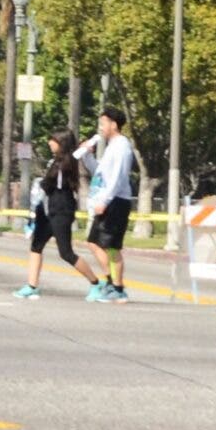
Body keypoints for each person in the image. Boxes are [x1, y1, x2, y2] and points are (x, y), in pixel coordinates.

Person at [17, 130, 99, 299]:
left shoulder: (68, 161)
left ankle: (96, 284)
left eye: (53, 140)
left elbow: (49, 183)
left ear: (62, 143)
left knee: (66, 253)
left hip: (62, 210)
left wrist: (87, 146)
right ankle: (32, 286)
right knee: (36, 245)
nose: (49, 143)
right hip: (48, 209)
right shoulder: (55, 162)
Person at [74, 107, 137, 302]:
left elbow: (117, 177)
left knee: (112, 246)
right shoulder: (112, 146)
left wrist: (105, 201)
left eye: (103, 123)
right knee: (94, 243)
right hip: (107, 199)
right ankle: (111, 283)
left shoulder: (121, 146)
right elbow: (101, 173)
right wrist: (87, 156)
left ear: (114, 125)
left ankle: (117, 288)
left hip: (116, 201)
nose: (100, 127)